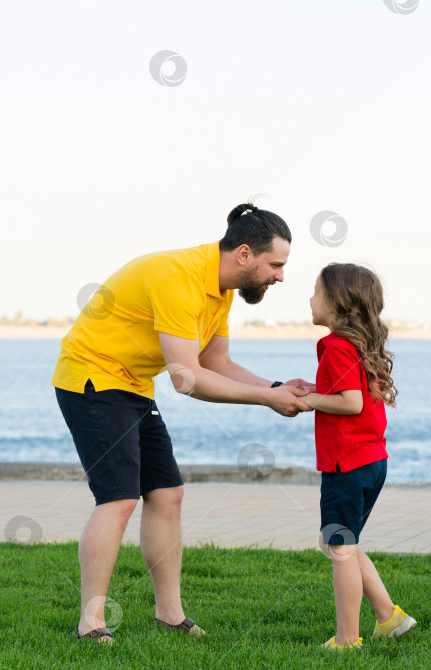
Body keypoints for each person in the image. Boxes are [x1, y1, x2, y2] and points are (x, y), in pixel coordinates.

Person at [51, 200, 313, 644]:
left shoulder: (221, 289)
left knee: (168, 494)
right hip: (91, 379)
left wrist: (275, 386)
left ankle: (169, 615)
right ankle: (91, 623)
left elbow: (217, 362)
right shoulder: (180, 278)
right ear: (245, 254)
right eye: (277, 264)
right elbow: (187, 378)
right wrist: (267, 399)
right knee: (118, 499)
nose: (281, 276)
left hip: (132, 384)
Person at [300, 263, 417, 651]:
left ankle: (348, 639)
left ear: (336, 302)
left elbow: (350, 403)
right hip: (371, 461)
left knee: (340, 547)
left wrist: (307, 400)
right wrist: (315, 389)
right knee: (337, 542)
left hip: (347, 464)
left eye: (316, 292)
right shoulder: (357, 346)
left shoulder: (337, 346)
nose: (310, 298)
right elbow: (354, 395)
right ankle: (388, 616)